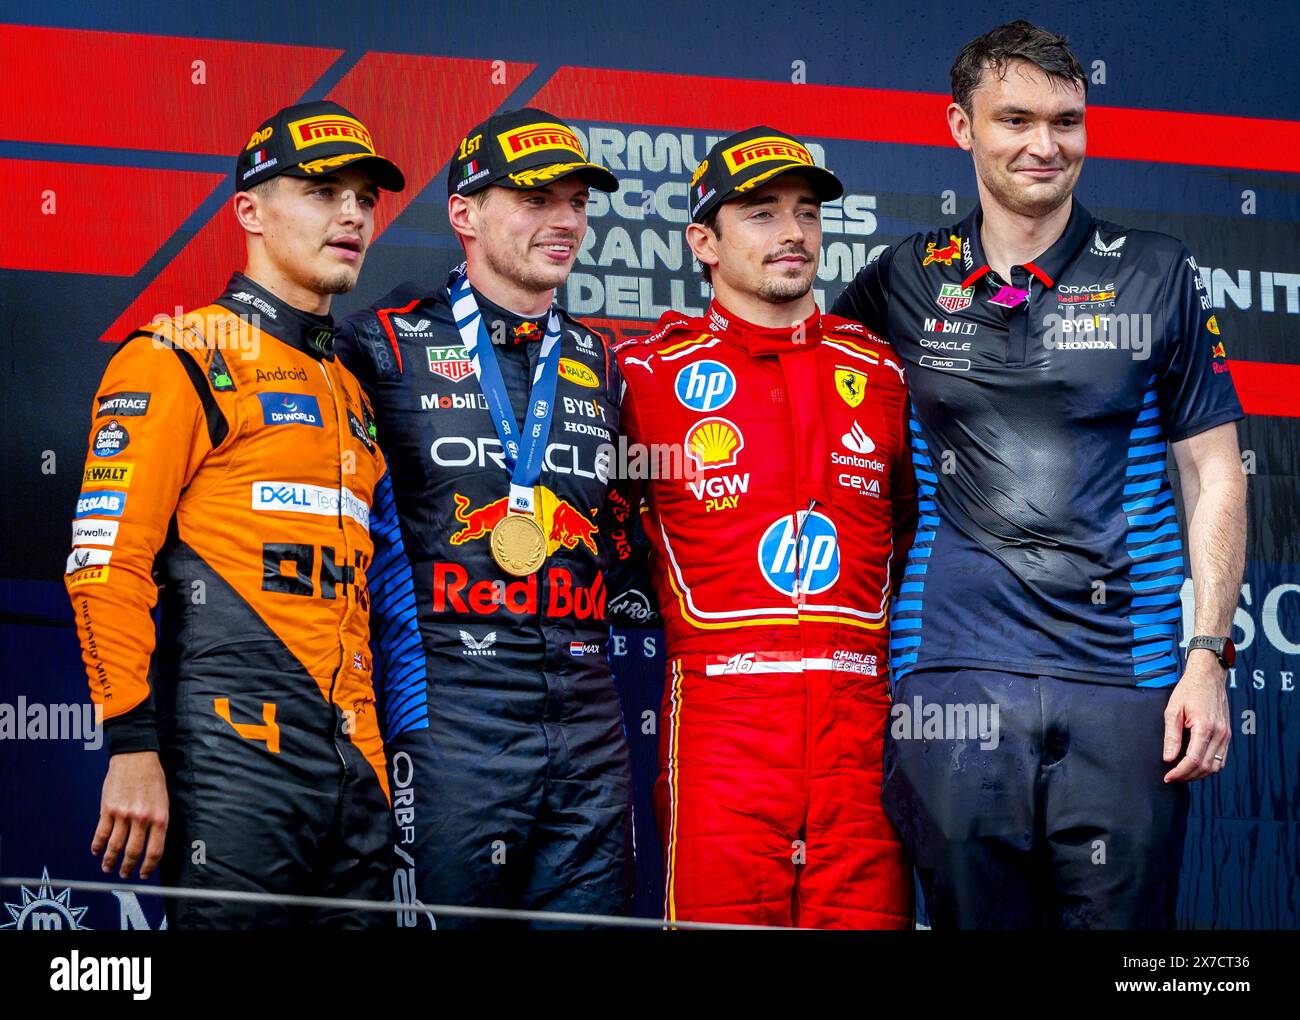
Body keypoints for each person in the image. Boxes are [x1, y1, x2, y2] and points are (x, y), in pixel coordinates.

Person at [832, 20, 1246, 929]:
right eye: (1015, 119)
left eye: (1067, 120)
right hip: (951, 675)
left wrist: (1208, 655)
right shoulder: (900, 279)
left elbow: (1215, 472)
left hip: (1127, 681)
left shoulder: (1156, 271)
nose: (1044, 145)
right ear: (960, 128)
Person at [65, 100, 423, 928]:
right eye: (322, 190)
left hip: (357, 769)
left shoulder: (352, 388)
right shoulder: (176, 355)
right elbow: (103, 563)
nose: (352, 214)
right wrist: (130, 747)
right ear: (249, 212)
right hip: (231, 762)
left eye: (366, 198)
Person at [337, 108, 648, 928]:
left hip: (589, 731)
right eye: (536, 199)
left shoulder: (601, 361)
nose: (565, 221)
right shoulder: (380, 348)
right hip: (449, 727)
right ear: (464, 213)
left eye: (577, 201)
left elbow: (627, 538)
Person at [614, 127, 914, 928]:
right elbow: (606, 538)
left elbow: (919, 538)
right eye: (762, 214)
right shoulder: (644, 376)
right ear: (702, 241)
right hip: (721, 725)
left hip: (861, 725)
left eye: (808, 214)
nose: (793, 233)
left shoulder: (881, 373)